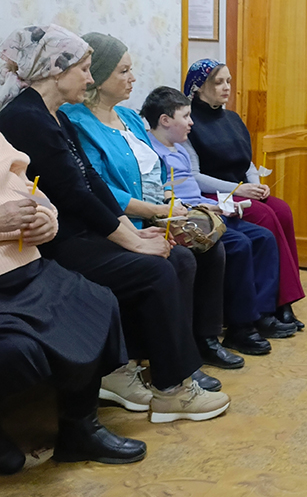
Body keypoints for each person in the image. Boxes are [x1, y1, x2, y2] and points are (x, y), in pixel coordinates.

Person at [0, 24, 229, 423]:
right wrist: (133, 241)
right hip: (58, 241)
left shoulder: (53, 116)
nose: (90, 79)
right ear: (56, 70)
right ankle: (170, 390)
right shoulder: (25, 118)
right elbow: (74, 194)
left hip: (78, 230)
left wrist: (131, 230)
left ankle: (147, 370)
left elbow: (91, 181)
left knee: (174, 258)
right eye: (84, 70)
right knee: (154, 269)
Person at [64, 33, 286, 355]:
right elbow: (98, 186)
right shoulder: (77, 122)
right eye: (123, 71)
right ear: (97, 76)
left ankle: (209, 337)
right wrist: (156, 211)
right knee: (188, 255)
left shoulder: (129, 118)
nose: (133, 78)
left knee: (215, 243)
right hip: (124, 221)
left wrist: (170, 200)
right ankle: (180, 349)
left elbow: (159, 169)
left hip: (160, 210)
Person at [0, 133, 145, 474]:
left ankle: (80, 427)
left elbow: (26, 186)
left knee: (94, 302)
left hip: (26, 266)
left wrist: (45, 219)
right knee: (17, 349)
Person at [142, 86, 288, 354]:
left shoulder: (179, 149)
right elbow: (166, 197)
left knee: (263, 237)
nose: (191, 122)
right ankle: (239, 327)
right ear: (165, 120)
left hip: (204, 211)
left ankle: (262, 314)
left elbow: (194, 190)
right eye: (185, 116)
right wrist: (201, 207)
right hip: (186, 217)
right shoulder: (151, 152)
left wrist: (221, 205)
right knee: (239, 244)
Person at [183, 59, 305, 329]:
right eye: (218, 82)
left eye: (228, 81)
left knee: (282, 210)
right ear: (199, 87)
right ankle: (267, 306)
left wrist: (256, 185)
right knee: (264, 216)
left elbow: (246, 162)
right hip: (214, 195)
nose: (226, 87)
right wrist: (239, 189)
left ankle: (285, 298)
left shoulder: (233, 119)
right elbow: (195, 176)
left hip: (241, 190)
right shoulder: (189, 122)